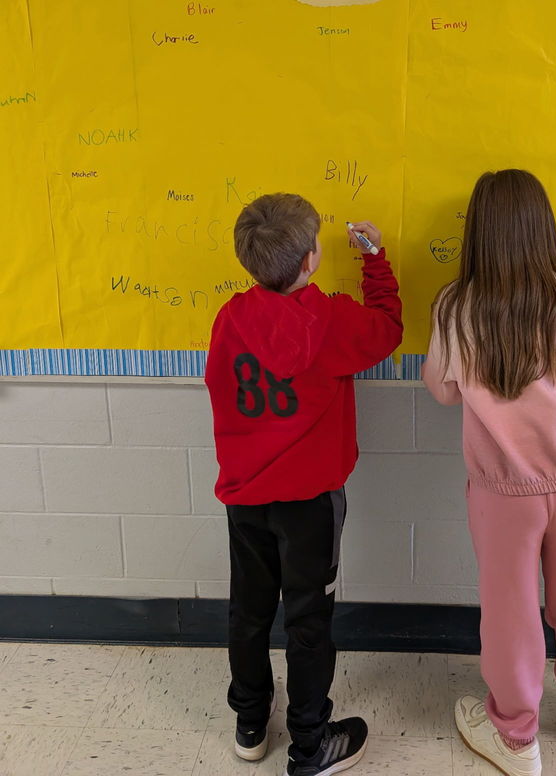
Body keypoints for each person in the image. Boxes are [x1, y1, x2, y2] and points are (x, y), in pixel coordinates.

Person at [422, 169, 556, 776]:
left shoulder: (456, 307)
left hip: (504, 487)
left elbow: (444, 392)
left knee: (508, 609)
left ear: (478, 231)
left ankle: (515, 736)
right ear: (544, 228)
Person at [205, 193, 402, 776]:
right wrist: (376, 261)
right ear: (313, 257)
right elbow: (388, 329)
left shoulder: (230, 318)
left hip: (245, 497)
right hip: (311, 504)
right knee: (309, 620)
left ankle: (249, 724)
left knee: (248, 610)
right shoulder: (333, 319)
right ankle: (310, 744)